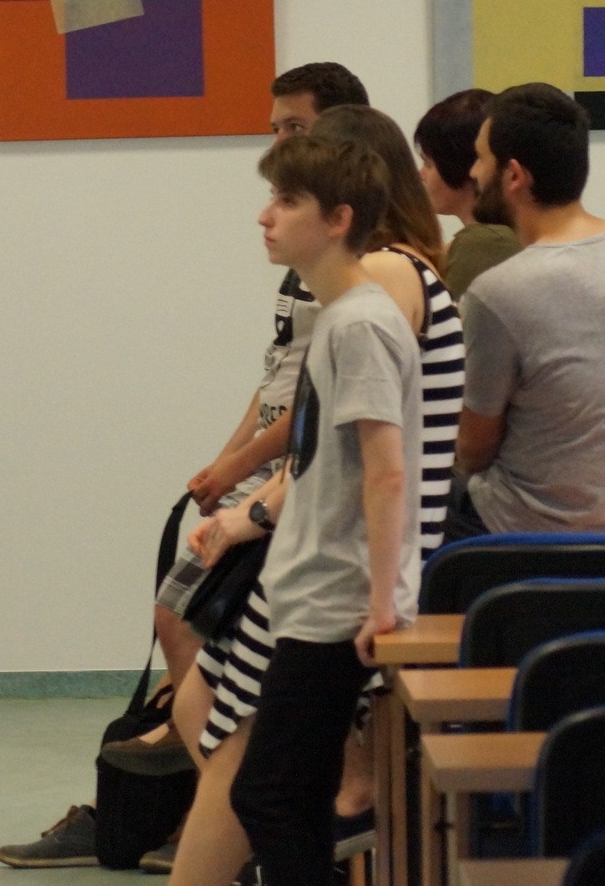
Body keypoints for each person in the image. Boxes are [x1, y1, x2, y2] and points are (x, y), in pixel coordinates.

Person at [0, 62, 369, 873]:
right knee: (182, 628)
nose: (277, 148)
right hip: (270, 471)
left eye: (294, 128)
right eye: (273, 128)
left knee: (194, 632)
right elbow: (279, 379)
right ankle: (203, 810)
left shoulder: (364, 280)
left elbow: (330, 408)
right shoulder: (306, 262)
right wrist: (229, 461)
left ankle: (235, 812)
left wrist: (253, 483)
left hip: (298, 486)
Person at [168, 105, 454, 885]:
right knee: (282, 795)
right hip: (317, 593)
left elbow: (387, 469)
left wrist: (384, 600)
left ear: (338, 219)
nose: (266, 216)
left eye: (287, 201)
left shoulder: (361, 324)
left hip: (338, 599)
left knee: (268, 794)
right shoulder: (342, 318)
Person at [451, 83, 605, 546]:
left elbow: (474, 451)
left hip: (530, 540)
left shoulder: (497, 292)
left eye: (480, 158)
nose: (474, 173)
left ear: (514, 175)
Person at [413, 89, 520, 299]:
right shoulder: (478, 242)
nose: (421, 174)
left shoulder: (482, 243)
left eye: (428, 163)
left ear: (459, 165)